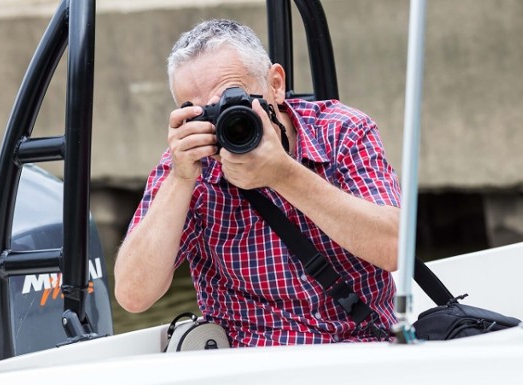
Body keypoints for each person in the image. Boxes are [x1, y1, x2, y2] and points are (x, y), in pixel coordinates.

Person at [114, 19, 401, 346]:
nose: (222, 120)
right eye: (200, 113)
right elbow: (133, 296)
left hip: (366, 352)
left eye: (231, 101)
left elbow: (395, 248)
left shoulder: (340, 132)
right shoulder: (188, 166)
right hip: (253, 370)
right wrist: (180, 180)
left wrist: (283, 174)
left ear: (275, 84)